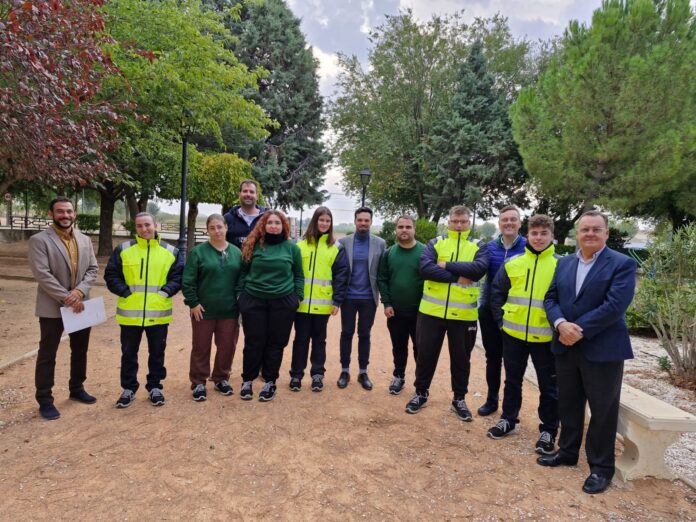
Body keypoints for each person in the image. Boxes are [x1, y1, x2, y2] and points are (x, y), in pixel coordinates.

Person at [539, 210, 637, 495]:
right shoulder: (565, 263)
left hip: (602, 348)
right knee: (568, 402)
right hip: (565, 345)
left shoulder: (622, 264)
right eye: (585, 230)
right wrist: (560, 324)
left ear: (606, 233)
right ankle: (567, 452)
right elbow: (550, 298)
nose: (590, 234)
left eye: (596, 229)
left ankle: (601, 468)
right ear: (577, 234)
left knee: (602, 410)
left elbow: (615, 306)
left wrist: (576, 330)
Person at [404, 205, 488, 420]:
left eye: (463, 222)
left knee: (461, 359)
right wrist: (458, 277)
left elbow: (478, 270)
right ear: (448, 222)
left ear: (469, 223)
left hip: (463, 316)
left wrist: (445, 264)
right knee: (425, 356)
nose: (459, 225)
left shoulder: (478, 246)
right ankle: (420, 393)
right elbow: (425, 269)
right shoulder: (435, 242)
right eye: (455, 221)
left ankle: (459, 399)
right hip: (431, 312)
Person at [488, 214, 559, 455]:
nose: (538, 238)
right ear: (527, 235)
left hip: (546, 337)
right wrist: (501, 323)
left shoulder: (561, 265)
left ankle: (548, 430)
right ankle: (508, 419)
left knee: (549, 386)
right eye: (534, 233)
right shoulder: (513, 262)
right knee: (512, 380)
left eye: (544, 234)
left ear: (551, 236)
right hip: (513, 334)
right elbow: (497, 293)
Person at [27, 196, 99, 420]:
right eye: (60, 211)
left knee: (80, 350)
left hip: (81, 305)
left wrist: (79, 293)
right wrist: (68, 297)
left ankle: (77, 388)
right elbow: (42, 274)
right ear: (51, 214)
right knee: (47, 354)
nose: (65, 215)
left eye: (69, 211)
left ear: (74, 213)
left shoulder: (84, 239)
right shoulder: (39, 240)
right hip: (52, 307)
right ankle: (45, 399)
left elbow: (93, 269)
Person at [104, 212, 184, 408]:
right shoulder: (124, 249)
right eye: (139, 226)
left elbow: (179, 277)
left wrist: (165, 292)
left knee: (157, 353)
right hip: (130, 314)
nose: (144, 229)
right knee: (128, 353)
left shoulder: (171, 251)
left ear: (155, 225)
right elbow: (111, 275)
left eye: (147, 224)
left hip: (158, 313)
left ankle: (155, 387)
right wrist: (125, 292)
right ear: (135, 228)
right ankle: (128, 388)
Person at [238, 210, 304, 402]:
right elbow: (243, 272)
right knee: (253, 342)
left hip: (283, 302)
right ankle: (247, 380)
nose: (273, 226)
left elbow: (299, 275)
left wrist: (297, 297)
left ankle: (269, 382)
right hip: (254, 300)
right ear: (263, 225)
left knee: (276, 343)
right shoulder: (252, 245)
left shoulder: (292, 248)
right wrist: (240, 296)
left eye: (277, 223)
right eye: (270, 223)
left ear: (284, 226)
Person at [182, 214, 243, 402]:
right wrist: (193, 302)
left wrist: (239, 301)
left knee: (227, 346)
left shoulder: (237, 253)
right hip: (203, 310)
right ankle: (198, 382)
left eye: (220, 227)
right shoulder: (198, 252)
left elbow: (241, 280)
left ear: (226, 227)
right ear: (207, 230)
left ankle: (221, 378)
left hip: (229, 310)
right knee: (201, 347)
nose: (217, 231)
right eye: (212, 228)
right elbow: (188, 280)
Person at [288, 207, 348, 392]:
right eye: (321, 220)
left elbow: (341, 276)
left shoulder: (336, 248)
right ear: (315, 221)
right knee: (300, 340)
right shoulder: (299, 245)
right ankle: (296, 375)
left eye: (327, 221)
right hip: (301, 304)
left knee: (319, 341)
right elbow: (291, 273)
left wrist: (337, 301)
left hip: (323, 305)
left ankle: (317, 375)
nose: (324, 223)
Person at [476, 205, 527, 417]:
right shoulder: (489, 247)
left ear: (519, 223)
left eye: (513, 219)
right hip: (489, 311)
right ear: (499, 223)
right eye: (504, 220)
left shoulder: (528, 246)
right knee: (493, 358)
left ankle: (511, 409)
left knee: (514, 364)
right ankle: (491, 400)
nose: (509, 223)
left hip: (517, 313)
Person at [336, 207, 386, 390]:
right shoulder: (344, 242)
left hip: (368, 298)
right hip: (348, 297)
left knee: (365, 334)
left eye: (366, 220)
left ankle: (363, 372)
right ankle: (345, 371)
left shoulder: (380, 243)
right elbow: (338, 270)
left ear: (371, 222)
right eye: (360, 220)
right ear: (355, 221)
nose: (363, 223)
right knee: (346, 333)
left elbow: (382, 272)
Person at [377, 215, 425, 395]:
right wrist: (387, 303)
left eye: (408, 227)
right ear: (395, 230)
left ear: (414, 229)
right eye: (400, 227)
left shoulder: (425, 252)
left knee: (421, 349)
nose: (404, 230)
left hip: (421, 312)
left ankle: (421, 384)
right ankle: (399, 376)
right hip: (395, 311)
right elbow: (382, 279)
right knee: (399, 347)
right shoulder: (388, 253)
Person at [223, 179, 266, 248]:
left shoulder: (266, 217)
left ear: (257, 196)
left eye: (252, 192)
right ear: (239, 194)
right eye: (245, 191)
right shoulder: (228, 218)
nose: (248, 194)